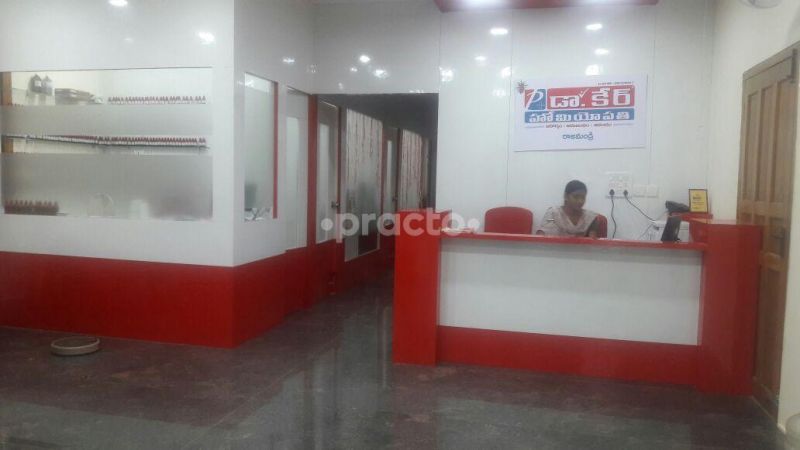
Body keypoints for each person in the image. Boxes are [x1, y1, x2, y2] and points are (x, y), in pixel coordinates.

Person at [536, 180, 600, 238]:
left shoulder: (590, 218)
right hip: (555, 246)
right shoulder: (553, 214)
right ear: (566, 196)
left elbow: (592, 243)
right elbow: (542, 238)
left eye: (583, 197)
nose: (580, 201)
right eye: (576, 197)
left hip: (579, 247)